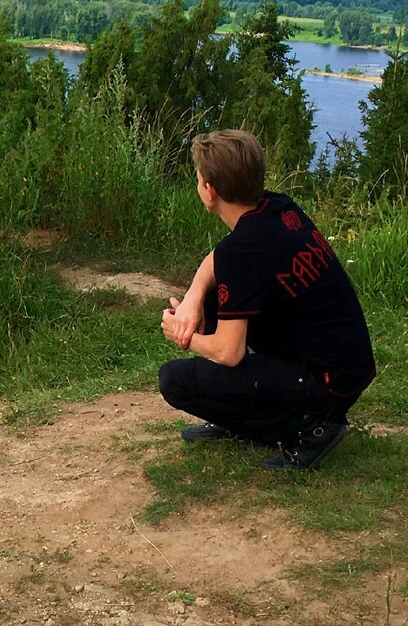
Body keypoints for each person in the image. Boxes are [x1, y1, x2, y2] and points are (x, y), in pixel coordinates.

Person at [159, 129, 374, 470]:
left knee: (175, 380)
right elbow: (219, 258)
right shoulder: (277, 208)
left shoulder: (243, 252)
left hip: (327, 385)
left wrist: (182, 333)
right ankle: (235, 413)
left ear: (209, 191)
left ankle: (314, 428)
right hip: (348, 365)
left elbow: (230, 353)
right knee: (214, 297)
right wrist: (193, 298)